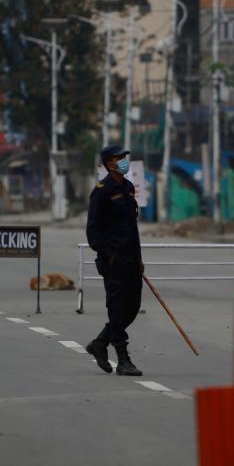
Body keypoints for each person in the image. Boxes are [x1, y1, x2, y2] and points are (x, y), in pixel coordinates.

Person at [85, 145, 144, 377]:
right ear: (109, 163)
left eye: (124, 158)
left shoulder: (128, 188)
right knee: (117, 309)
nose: (123, 161)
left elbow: (132, 229)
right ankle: (123, 360)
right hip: (114, 262)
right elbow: (93, 231)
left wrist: (139, 258)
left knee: (132, 307)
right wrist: (109, 256)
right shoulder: (102, 191)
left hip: (132, 260)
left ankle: (100, 343)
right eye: (119, 158)